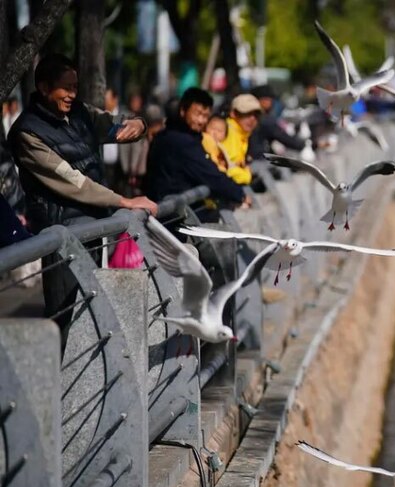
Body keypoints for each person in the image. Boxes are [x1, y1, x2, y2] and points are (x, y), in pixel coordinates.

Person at [7, 53, 157, 333]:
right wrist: (124, 201)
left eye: (75, 87)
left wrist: (139, 124)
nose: (72, 95)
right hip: (61, 234)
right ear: (44, 87)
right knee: (67, 317)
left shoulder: (80, 113)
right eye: (66, 88)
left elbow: (118, 125)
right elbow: (74, 183)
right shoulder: (27, 133)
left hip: (93, 227)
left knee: (93, 316)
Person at [145, 87, 248, 209]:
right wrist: (240, 195)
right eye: (197, 114)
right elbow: (210, 175)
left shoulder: (168, 134)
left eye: (206, 116)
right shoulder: (183, 142)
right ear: (183, 111)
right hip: (171, 211)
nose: (201, 121)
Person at [247, 85, 306, 161]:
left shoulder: (250, 116)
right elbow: (284, 138)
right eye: (268, 99)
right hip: (257, 160)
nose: (271, 102)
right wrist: (305, 144)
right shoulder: (263, 119)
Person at [221, 94, 262, 186]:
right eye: (246, 113)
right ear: (233, 113)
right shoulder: (225, 131)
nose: (252, 119)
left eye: (256, 115)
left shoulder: (243, 133)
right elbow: (227, 170)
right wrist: (247, 176)